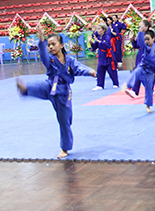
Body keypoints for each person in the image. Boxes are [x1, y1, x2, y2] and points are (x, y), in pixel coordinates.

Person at [16, 25, 97, 159]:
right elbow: (42, 54)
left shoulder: (70, 60)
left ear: (62, 45)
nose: (51, 47)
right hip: (50, 86)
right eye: (49, 45)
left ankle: (65, 148)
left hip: (63, 93)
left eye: (53, 44)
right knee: (38, 86)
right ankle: (25, 89)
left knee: (64, 121)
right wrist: (41, 38)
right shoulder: (50, 60)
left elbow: (79, 68)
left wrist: (90, 72)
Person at [123, 27, 155, 113]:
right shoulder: (143, 39)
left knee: (149, 83)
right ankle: (133, 89)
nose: (146, 40)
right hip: (141, 61)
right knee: (136, 73)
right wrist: (133, 40)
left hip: (149, 65)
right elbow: (137, 45)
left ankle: (149, 92)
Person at [129, 20, 155, 98]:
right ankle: (134, 91)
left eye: (141, 25)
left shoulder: (150, 34)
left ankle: (150, 88)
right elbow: (137, 45)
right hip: (140, 55)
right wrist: (132, 40)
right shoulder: (140, 34)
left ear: (146, 26)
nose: (139, 27)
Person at [90, 22, 119, 90]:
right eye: (97, 29)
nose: (97, 30)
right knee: (100, 70)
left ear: (103, 29)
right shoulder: (98, 37)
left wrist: (99, 41)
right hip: (101, 56)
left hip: (108, 56)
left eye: (99, 28)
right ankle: (100, 85)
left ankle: (115, 83)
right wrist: (91, 42)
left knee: (111, 71)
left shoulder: (107, 36)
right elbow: (95, 47)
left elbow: (107, 46)